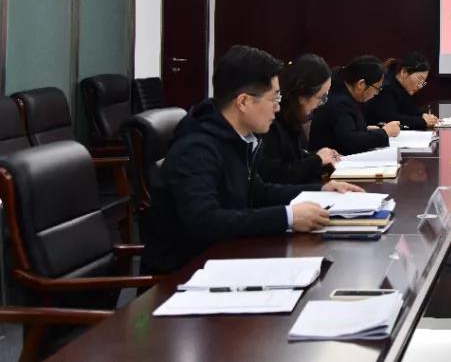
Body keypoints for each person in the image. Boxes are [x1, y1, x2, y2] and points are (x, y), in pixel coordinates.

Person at [142, 45, 360, 273]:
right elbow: (206, 221)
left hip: (228, 256)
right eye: (274, 97)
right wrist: (287, 217)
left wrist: (321, 190)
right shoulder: (196, 148)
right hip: (186, 274)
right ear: (244, 102)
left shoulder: (237, 138)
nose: (278, 107)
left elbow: (258, 192)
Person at [255, 53, 342, 184]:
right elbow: (275, 176)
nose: (321, 104)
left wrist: (322, 157)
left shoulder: (291, 119)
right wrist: (317, 160)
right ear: (302, 96)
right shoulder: (270, 123)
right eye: (321, 97)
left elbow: (294, 159)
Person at [309, 55, 400, 154]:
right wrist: (384, 133)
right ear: (361, 84)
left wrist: (365, 130)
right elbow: (350, 142)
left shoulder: (342, 90)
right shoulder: (340, 102)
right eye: (377, 88)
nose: (376, 93)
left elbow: (345, 131)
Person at [364, 51, 438, 130]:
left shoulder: (405, 88)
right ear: (404, 72)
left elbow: (409, 110)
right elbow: (391, 118)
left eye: (423, 82)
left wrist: (423, 115)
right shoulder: (386, 87)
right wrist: (423, 122)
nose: (420, 85)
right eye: (420, 79)